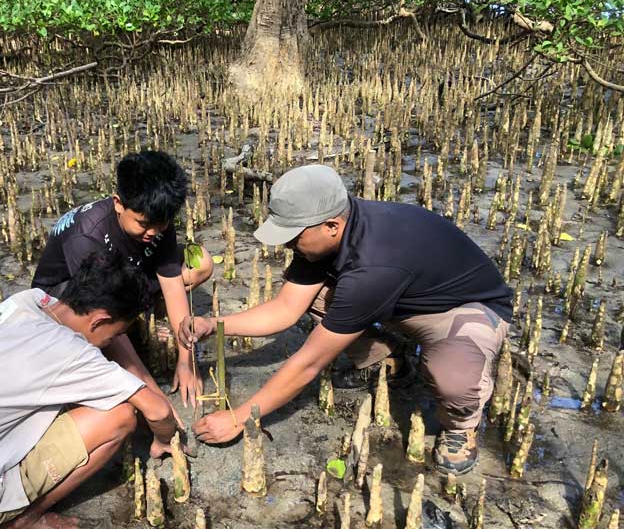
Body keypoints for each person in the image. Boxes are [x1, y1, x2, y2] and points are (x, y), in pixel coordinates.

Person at [180, 164, 512, 475]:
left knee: (452, 379)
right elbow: (285, 309)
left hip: (464, 310)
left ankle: (461, 425)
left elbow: (309, 364)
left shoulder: (372, 265)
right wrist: (215, 324)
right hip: (402, 298)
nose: (289, 245)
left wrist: (240, 418)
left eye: (293, 237)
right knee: (321, 296)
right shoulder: (327, 231)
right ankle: (391, 358)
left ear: (332, 226)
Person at [0, 252, 181, 529]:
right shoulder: (68, 353)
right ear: (100, 320)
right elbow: (157, 410)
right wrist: (164, 439)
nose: (113, 342)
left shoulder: (30, 301)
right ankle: (21, 523)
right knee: (121, 416)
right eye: (116, 334)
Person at [33, 151, 213, 408]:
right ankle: (134, 325)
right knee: (105, 334)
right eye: (143, 224)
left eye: (161, 226)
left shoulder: (157, 218)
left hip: (127, 271)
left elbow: (172, 285)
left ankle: (146, 320)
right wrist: (154, 396)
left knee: (202, 262)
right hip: (67, 296)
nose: (152, 233)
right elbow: (104, 310)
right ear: (118, 203)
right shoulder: (86, 236)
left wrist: (187, 360)